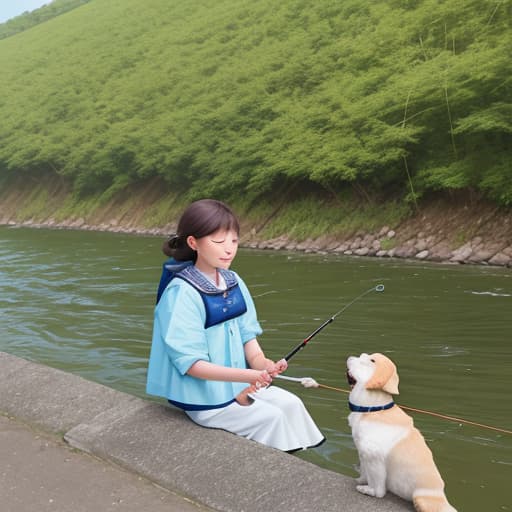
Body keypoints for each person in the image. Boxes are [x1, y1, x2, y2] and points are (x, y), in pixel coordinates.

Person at [146, 199, 325, 452]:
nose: (229, 249)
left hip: (237, 387)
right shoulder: (181, 292)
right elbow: (192, 365)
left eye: (234, 241)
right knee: (270, 418)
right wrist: (251, 376)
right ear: (193, 242)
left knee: (292, 404)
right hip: (204, 399)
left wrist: (264, 365)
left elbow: (249, 341)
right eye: (219, 241)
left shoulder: (233, 280)